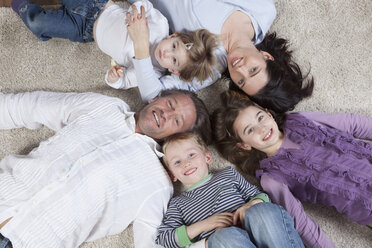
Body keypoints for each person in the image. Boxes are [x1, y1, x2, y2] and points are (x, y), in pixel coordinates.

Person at [0, 89, 211, 248]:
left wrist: (207, 243)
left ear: (175, 137)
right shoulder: (103, 106)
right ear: (156, 98)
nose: (166, 113)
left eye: (176, 120)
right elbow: (27, 107)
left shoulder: (157, 183)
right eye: (170, 103)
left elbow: (150, 243)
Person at [213, 90, 372, 247]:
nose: (262, 128)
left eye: (260, 117)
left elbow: (352, 123)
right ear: (244, 145)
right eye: (250, 130)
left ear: (268, 114)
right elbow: (302, 224)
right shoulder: (271, 178)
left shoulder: (299, 119)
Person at [127, 0, 313, 112]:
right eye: (253, 70)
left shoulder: (209, 69)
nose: (239, 68)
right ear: (266, 56)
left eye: (241, 81)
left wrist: (140, 45)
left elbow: (153, 96)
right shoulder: (263, 10)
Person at [11, 0, 219, 95]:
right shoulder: (160, 25)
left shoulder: (150, 73)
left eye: (174, 60)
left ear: (173, 70)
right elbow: (145, 4)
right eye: (174, 46)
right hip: (97, 6)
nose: (167, 52)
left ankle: (19, 4)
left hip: (85, 31)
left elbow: (123, 83)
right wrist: (135, 11)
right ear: (173, 36)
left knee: (40, 25)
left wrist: (114, 78)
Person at [156, 132, 304, 248]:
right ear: (172, 175)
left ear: (207, 157)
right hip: (228, 242)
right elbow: (164, 239)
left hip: (258, 229)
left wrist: (251, 204)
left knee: (263, 211)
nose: (186, 163)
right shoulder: (177, 204)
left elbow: (260, 195)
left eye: (191, 155)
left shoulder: (228, 174)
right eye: (177, 162)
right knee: (224, 237)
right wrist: (203, 225)